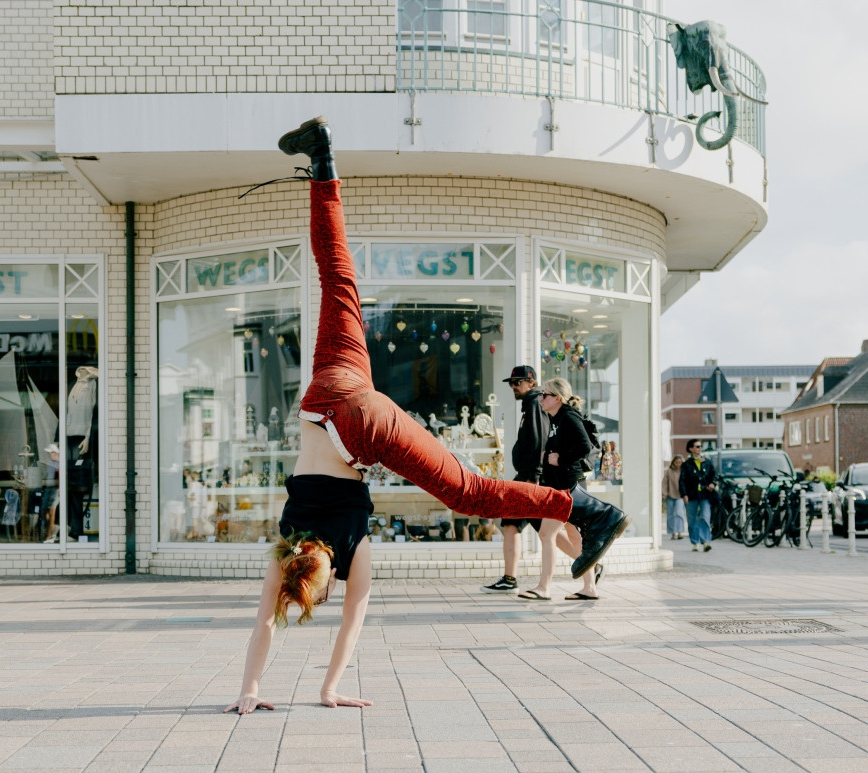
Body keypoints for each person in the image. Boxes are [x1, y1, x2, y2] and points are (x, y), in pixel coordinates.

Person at [226, 117, 629, 714]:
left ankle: (590, 511)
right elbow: (264, 622)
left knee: (469, 492)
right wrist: (247, 689)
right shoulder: (285, 547)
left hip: (359, 426)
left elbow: (347, 620)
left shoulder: (349, 552)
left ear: (322, 577)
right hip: (326, 392)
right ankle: (323, 162)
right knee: (337, 277)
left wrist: (325, 688)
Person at [516, 377, 607, 601]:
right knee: (575, 538)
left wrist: (561, 459)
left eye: (545, 395)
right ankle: (590, 587)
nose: (541, 399)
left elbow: (584, 446)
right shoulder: (555, 418)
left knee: (547, 534)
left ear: (557, 398)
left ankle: (544, 587)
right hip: (562, 486)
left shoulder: (567, 416)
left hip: (568, 486)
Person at [483, 365, 547, 593]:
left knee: (517, 523)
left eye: (517, 382)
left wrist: (534, 476)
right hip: (529, 476)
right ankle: (590, 565)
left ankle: (510, 578)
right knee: (528, 525)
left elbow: (539, 440)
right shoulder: (531, 404)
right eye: (511, 383)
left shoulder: (534, 403)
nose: (513, 386)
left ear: (531, 382)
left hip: (529, 478)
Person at [679, 439, 716, 552]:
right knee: (692, 519)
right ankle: (695, 542)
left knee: (705, 517)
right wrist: (684, 494)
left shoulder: (707, 462)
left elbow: (714, 475)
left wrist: (712, 483)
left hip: (705, 495)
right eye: (697, 446)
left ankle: (705, 542)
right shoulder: (686, 464)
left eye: (700, 446)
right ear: (691, 449)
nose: (699, 449)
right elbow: (682, 480)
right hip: (691, 495)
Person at [662, 455, 687, 540]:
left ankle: (679, 532)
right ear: (673, 463)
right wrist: (664, 494)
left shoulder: (683, 471)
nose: (678, 464)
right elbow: (664, 483)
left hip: (680, 495)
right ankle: (673, 533)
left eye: (680, 462)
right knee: (670, 514)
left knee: (679, 513)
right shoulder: (669, 472)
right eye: (676, 462)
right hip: (670, 495)